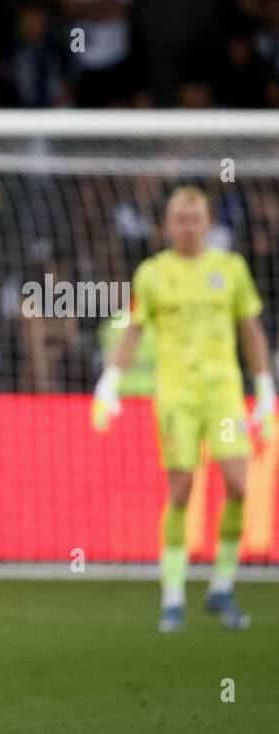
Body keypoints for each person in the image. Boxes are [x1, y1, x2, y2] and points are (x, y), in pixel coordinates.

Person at [93, 186, 275, 632]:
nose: (188, 225)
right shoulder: (153, 274)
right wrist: (110, 379)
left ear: (208, 222)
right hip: (176, 397)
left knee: (238, 484)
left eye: (195, 218)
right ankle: (173, 595)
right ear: (167, 224)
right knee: (180, 490)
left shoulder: (230, 269)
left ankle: (221, 587)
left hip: (223, 396)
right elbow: (134, 330)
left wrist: (265, 384)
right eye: (179, 218)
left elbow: (249, 329)